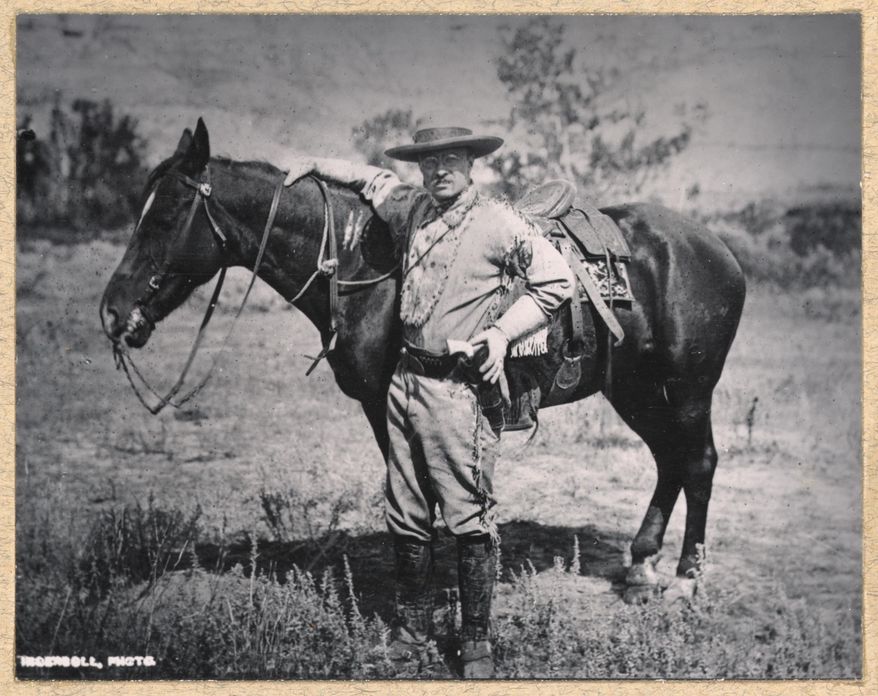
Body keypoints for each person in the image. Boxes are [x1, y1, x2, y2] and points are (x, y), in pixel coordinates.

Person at [281, 123, 574, 678]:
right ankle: (413, 635)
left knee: (470, 519)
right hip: (405, 383)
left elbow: (556, 279)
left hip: (459, 391)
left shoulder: (496, 221)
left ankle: (475, 644)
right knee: (406, 514)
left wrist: (503, 334)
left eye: (452, 160)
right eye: (430, 162)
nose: (440, 170)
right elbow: (371, 180)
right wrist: (312, 160)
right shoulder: (412, 209)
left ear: (471, 165)